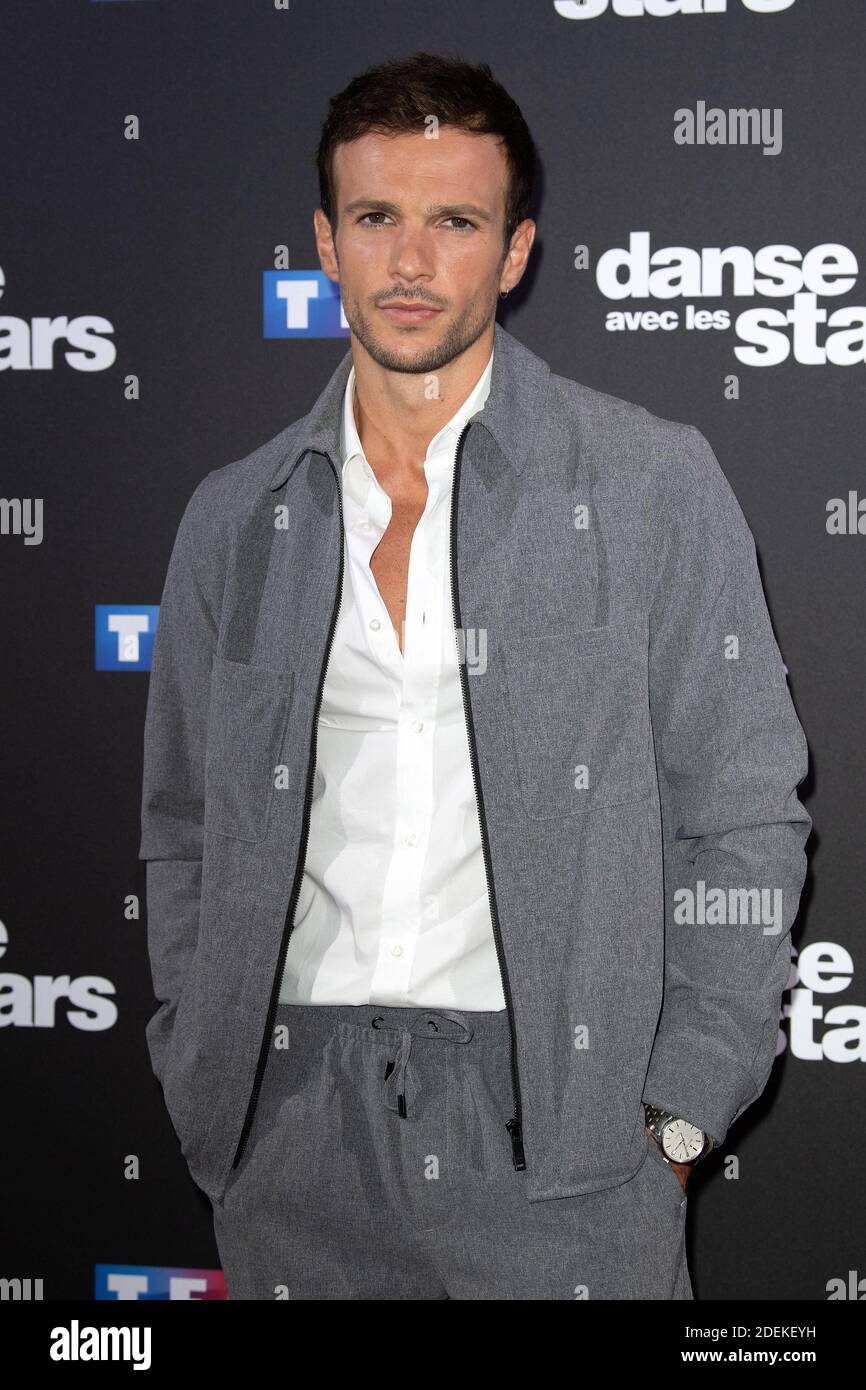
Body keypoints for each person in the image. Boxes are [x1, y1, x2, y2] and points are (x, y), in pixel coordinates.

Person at [139, 52, 812, 1300]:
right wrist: (206, 1078)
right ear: (323, 245)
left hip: (564, 1140)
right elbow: (183, 828)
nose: (409, 261)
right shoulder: (237, 520)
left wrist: (674, 1118)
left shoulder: (646, 484)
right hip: (290, 1135)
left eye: (453, 221)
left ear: (512, 252)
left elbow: (743, 817)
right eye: (376, 218)